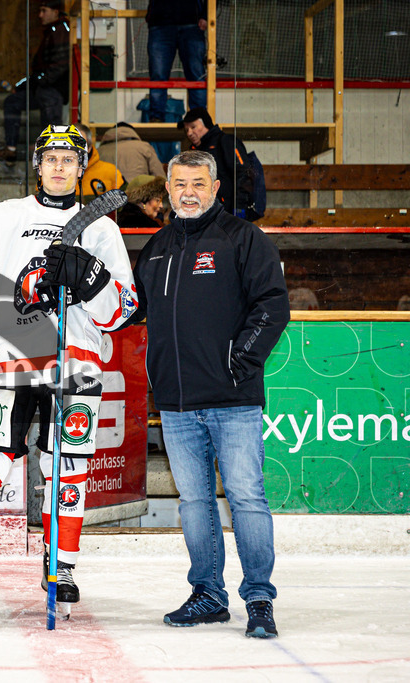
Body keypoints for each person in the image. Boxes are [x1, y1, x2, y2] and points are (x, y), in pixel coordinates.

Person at [0, 125, 137, 622]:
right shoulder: (2, 217)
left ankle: (60, 565)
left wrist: (92, 281)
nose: (59, 166)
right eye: (51, 158)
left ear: (82, 168)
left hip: (76, 364)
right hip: (9, 357)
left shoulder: (102, 229)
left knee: (69, 465)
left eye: (69, 159)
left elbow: (124, 309)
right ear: (37, 164)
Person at [131, 150, 288, 638]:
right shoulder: (156, 248)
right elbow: (130, 311)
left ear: (216, 188)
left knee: (246, 498)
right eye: (180, 184)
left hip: (233, 399)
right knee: (194, 503)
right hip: (177, 403)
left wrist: (239, 361)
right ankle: (208, 594)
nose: (189, 193)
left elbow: (273, 306)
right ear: (167, 189)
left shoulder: (243, 239)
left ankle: (258, 597)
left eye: (198, 183)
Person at [0, 1, 70, 166]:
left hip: (52, 90)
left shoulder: (61, 31)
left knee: (51, 129)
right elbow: (41, 71)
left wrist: (38, 82)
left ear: (55, 12)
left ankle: (50, 158)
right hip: (43, 88)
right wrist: (25, 85)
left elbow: (59, 67)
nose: (40, 15)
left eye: (44, 10)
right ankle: (11, 149)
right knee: (12, 102)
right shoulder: (52, 31)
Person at [180, 107, 252, 216]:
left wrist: (239, 208)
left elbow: (244, 174)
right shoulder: (194, 151)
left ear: (206, 124)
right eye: (186, 130)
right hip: (206, 213)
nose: (189, 133)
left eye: (193, 127)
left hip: (228, 212)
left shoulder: (226, 141)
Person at [146, 0, 207, 123]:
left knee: (196, 75)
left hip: (192, 23)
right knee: (158, 75)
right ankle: (156, 119)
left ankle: (199, 119)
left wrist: (206, 15)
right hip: (160, 23)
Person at [98, 122, 164, 184]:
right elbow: (160, 177)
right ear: (132, 132)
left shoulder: (99, 151)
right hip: (138, 190)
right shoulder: (144, 147)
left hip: (109, 191)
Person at [77, 124, 124, 202]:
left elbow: (123, 204)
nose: (75, 148)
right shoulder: (57, 172)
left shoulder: (111, 172)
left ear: (89, 148)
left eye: (80, 144)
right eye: (70, 144)